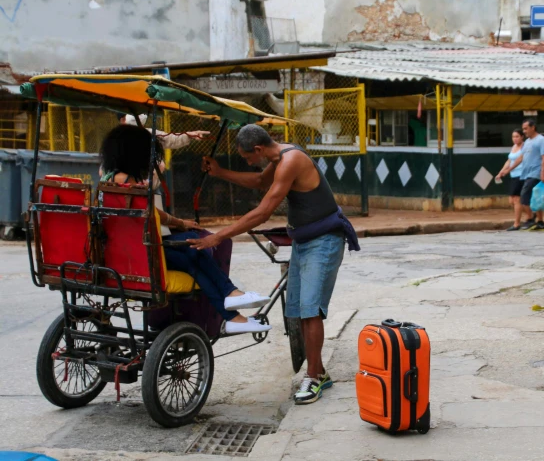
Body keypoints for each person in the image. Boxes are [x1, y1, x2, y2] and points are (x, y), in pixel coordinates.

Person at [188, 124, 360, 405]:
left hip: (324, 240)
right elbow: (259, 182)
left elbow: (264, 211)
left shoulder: (291, 159)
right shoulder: (278, 156)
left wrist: (218, 236)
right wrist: (219, 173)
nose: (247, 161)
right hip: (304, 242)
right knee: (297, 311)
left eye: (246, 157)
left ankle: (314, 377)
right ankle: (317, 370)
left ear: (257, 149)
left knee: (310, 310)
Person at [99, 124, 271, 334]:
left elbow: (151, 214)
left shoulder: (107, 178)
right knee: (193, 249)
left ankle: (234, 314)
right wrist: (181, 224)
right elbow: (153, 214)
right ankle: (231, 298)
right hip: (142, 255)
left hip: (122, 253)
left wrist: (180, 223)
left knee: (193, 262)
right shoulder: (130, 182)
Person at [518, 119, 544, 231]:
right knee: (536, 197)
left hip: (535, 172)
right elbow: (521, 157)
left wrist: (543, 172)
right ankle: (540, 221)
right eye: (523, 129)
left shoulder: (541, 140)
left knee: (524, 195)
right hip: (526, 173)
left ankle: (530, 218)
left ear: (533, 127)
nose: (524, 131)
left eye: (526, 128)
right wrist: (507, 169)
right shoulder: (527, 142)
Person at [495, 128, 526, 231]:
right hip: (513, 175)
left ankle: (517, 223)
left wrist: (508, 170)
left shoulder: (525, 146)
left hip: (522, 174)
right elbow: (509, 161)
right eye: (513, 137)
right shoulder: (514, 147)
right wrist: (501, 172)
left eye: (517, 136)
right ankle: (531, 216)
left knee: (516, 199)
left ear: (522, 137)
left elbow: (519, 160)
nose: (515, 139)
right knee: (512, 200)